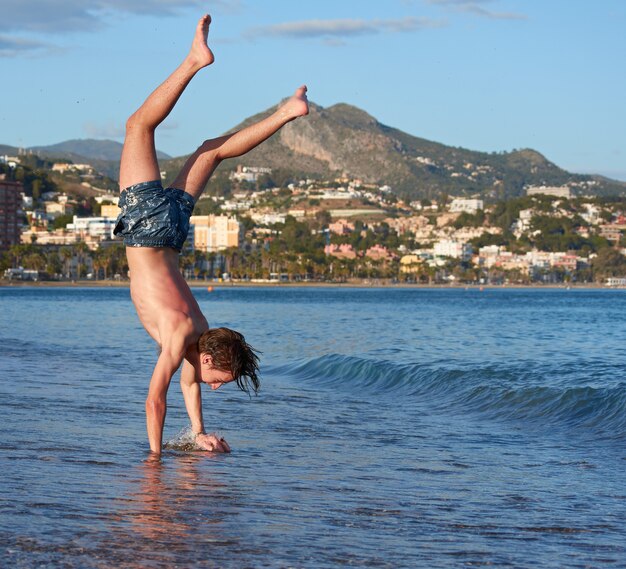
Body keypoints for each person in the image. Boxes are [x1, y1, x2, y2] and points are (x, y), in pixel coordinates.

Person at [114, 14, 309, 456]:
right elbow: (154, 400)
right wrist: (155, 460)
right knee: (138, 126)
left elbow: (189, 384)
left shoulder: (197, 332)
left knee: (211, 150)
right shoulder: (182, 335)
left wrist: (199, 432)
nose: (214, 386)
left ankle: (287, 110)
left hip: (172, 232)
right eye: (218, 379)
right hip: (148, 231)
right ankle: (194, 61)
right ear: (208, 358)